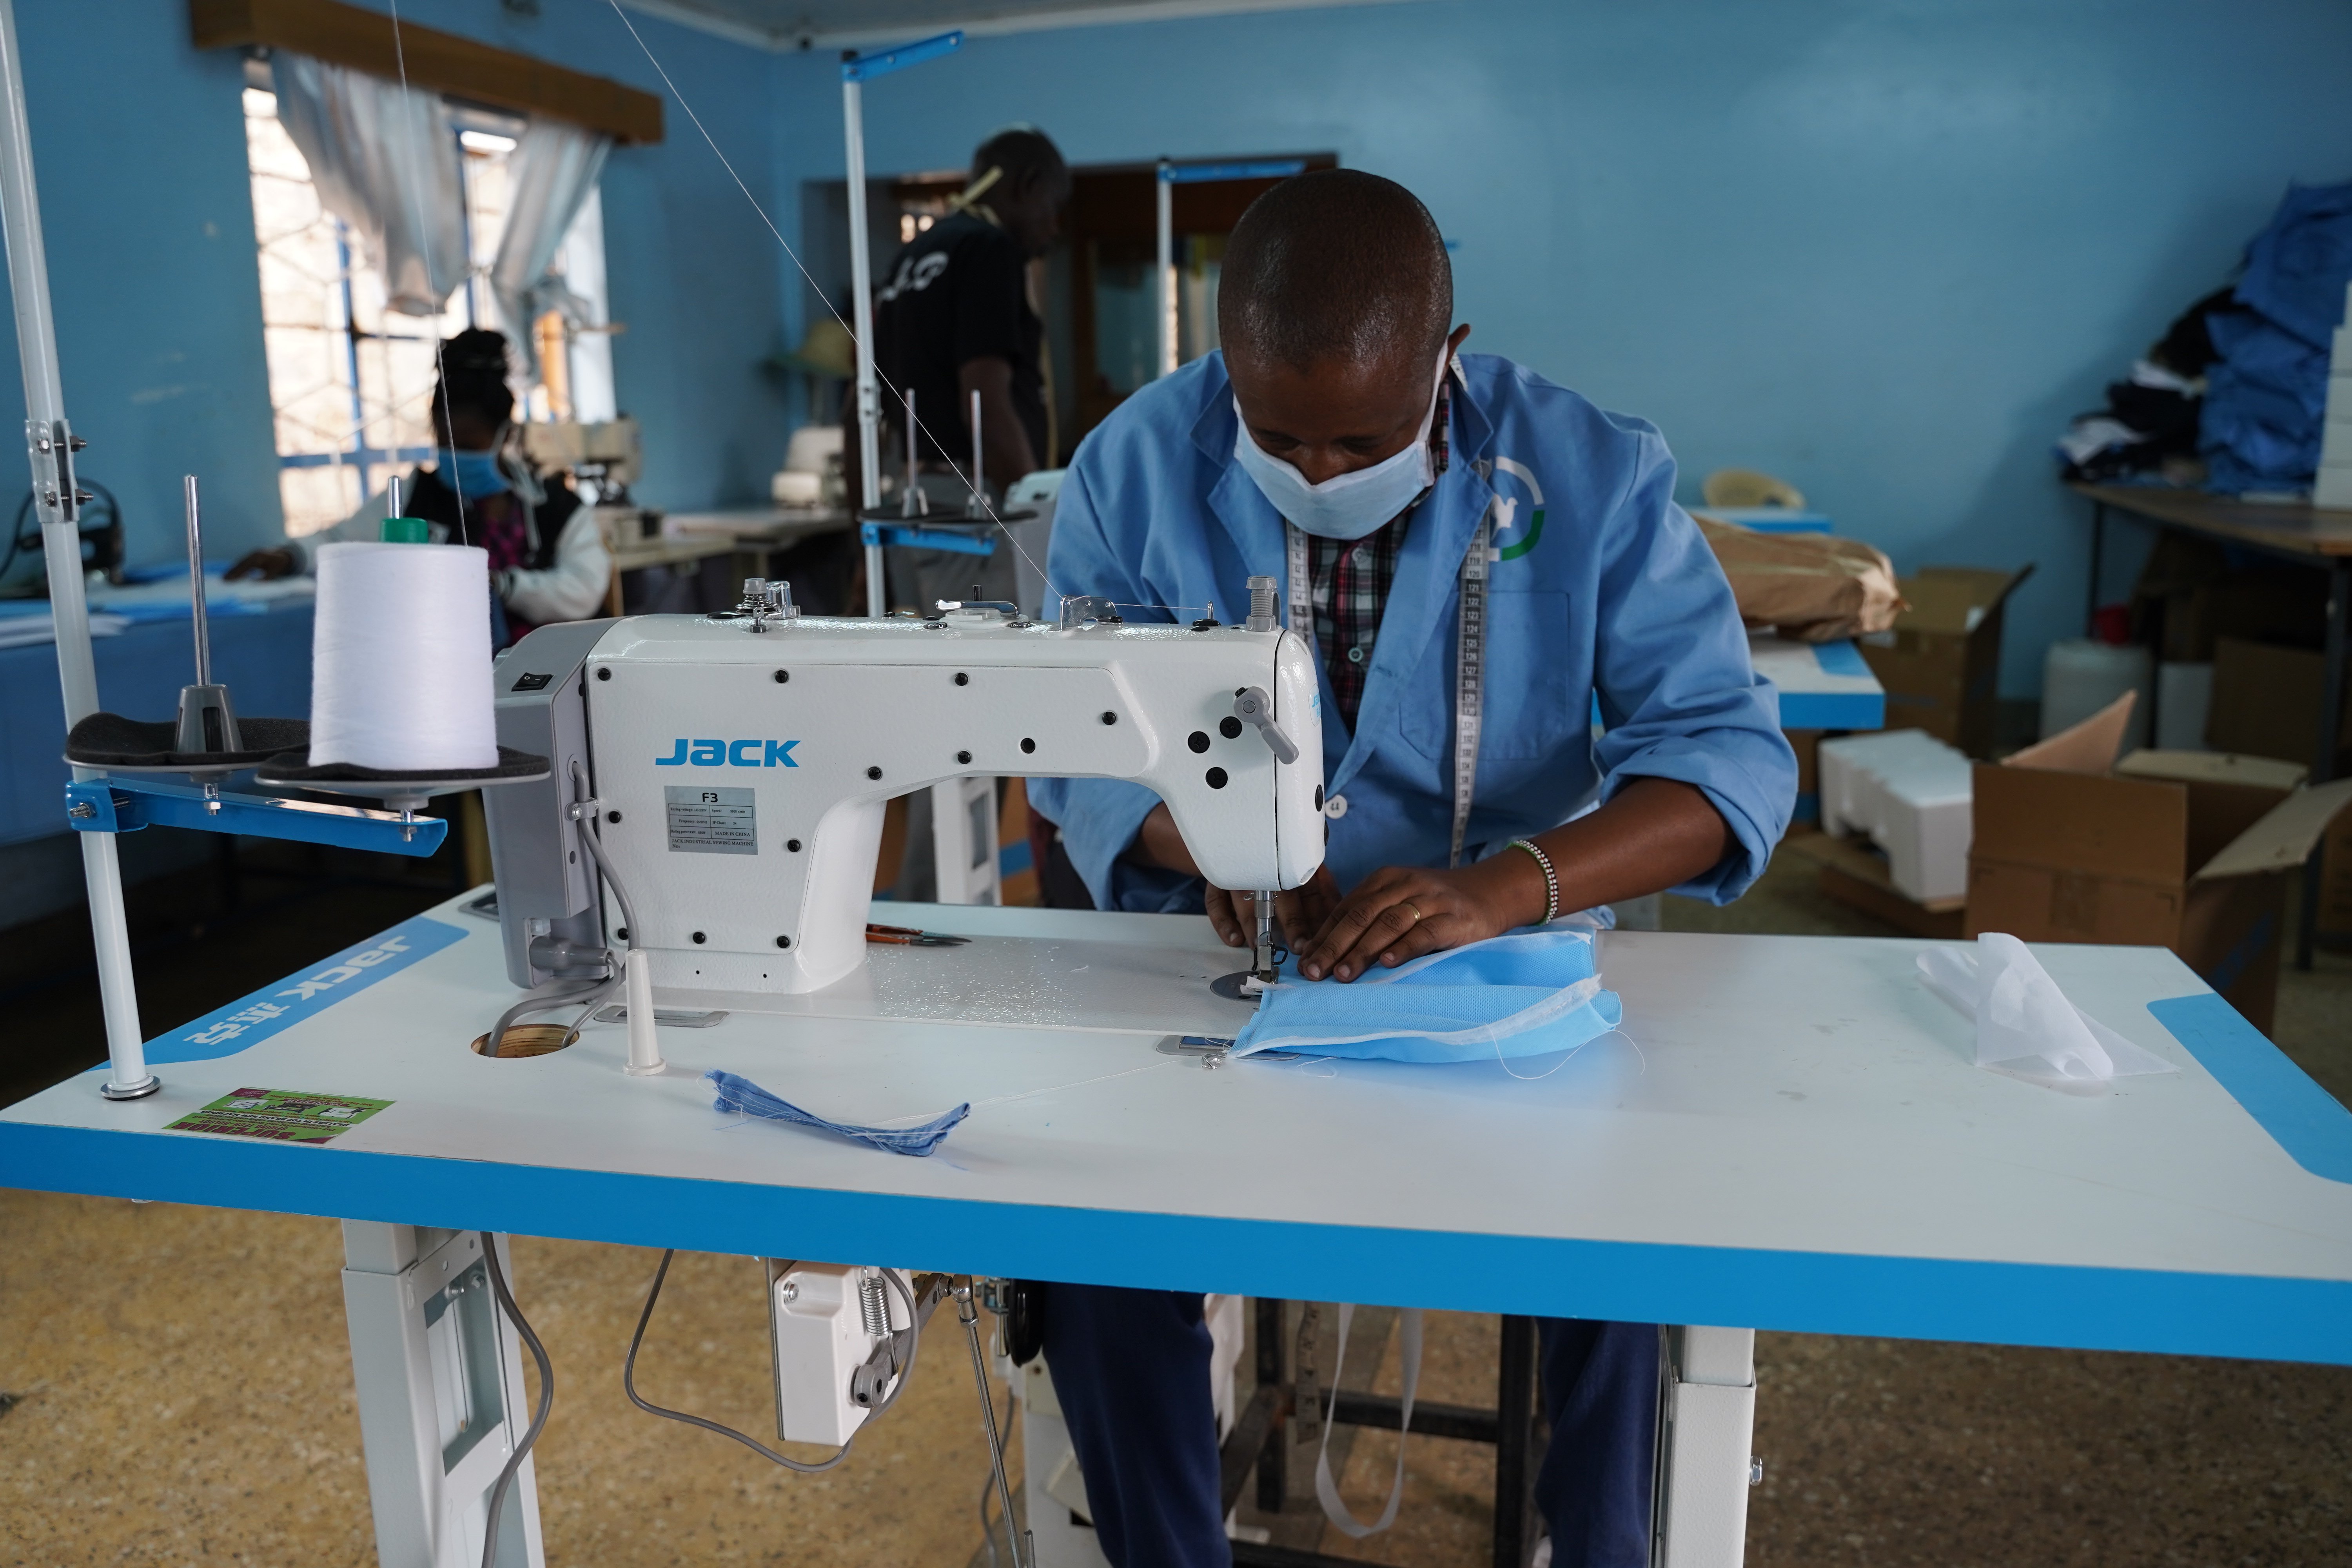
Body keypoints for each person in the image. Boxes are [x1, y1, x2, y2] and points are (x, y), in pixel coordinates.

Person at [1025, 171, 1796, 1568]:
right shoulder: (1131, 466)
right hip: (1232, 957)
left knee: (1616, 1227)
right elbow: (1070, 748)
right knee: (1091, 1236)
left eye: (1360, 440)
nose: (1317, 473)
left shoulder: (1592, 473)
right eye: (1278, 436)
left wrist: (1503, 889)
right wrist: (1202, 839)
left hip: (1499, 957)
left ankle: (1597, 1534)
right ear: (1219, 358)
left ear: (1447, 357)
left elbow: (1723, 761)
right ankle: (1166, 1545)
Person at [230, 328, 611, 645]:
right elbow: (342, 541)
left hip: (542, 674)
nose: (452, 455)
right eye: (444, 442)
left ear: (505, 435)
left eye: (467, 444)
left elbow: (583, 591)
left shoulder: (554, 506)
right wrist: (290, 556)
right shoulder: (418, 495)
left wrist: (502, 584)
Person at [863, 125, 1068, 614]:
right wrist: (1036, 516)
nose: (1053, 228)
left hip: (909, 507)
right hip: (969, 506)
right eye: (1054, 208)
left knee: (930, 667)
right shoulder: (989, 250)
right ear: (1029, 184)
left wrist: (861, 552)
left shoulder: (910, 258)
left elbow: (862, 406)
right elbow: (984, 402)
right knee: (986, 669)